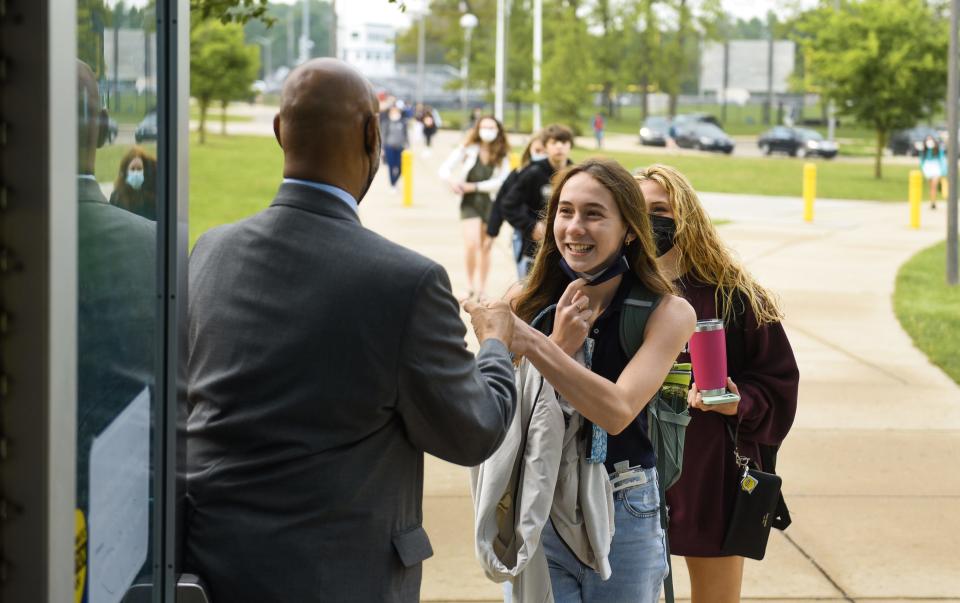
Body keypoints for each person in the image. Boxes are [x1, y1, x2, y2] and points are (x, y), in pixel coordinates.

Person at [184, 58, 519, 603]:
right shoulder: (406, 282)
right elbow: (474, 430)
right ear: (372, 133)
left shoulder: (211, 252)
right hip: (340, 577)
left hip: (214, 567)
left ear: (277, 132)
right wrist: (496, 344)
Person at [483, 158, 696, 602]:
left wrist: (538, 346)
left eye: (594, 214)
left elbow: (617, 411)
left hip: (626, 506)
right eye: (565, 211)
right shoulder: (521, 303)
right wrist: (554, 342)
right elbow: (492, 411)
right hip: (536, 499)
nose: (575, 228)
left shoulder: (668, 312)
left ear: (631, 230)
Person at [633, 164, 799, 603]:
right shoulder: (617, 292)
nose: (651, 221)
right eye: (638, 209)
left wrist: (737, 403)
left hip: (711, 469)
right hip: (630, 467)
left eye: (661, 209)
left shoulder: (733, 294)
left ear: (686, 218)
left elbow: (778, 381)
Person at [439, 115, 512, 300]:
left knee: (486, 247)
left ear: (498, 131)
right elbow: (444, 169)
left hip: (491, 203)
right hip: (469, 202)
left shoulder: (502, 154)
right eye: (484, 126)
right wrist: (452, 182)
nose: (487, 130)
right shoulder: (467, 149)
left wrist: (476, 186)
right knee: (472, 244)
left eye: (492, 127)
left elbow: (502, 181)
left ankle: (482, 288)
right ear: (478, 128)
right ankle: (469, 286)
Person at [501, 123, 575, 277]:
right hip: (535, 249)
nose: (559, 147)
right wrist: (531, 226)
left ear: (570, 146)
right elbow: (508, 205)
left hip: (567, 247)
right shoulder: (533, 173)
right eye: (554, 143)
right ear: (546, 147)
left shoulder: (576, 174)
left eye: (564, 142)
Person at [487, 132, 547, 279]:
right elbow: (502, 203)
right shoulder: (520, 173)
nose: (542, 155)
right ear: (530, 150)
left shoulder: (565, 173)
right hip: (525, 236)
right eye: (538, 151)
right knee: (526, 280)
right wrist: (492, 232)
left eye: (545, 152)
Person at [110, 146, 157, 220]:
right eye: (132, 169)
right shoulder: (117, 197)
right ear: (125, 172)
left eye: (139, 169)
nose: (136, 173)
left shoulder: (152, 196)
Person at [382, 104, 408, 191]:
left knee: (401, 167)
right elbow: (384, 136)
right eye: (393, 111)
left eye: (396, 111)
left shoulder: (403, 122)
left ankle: (396, 181)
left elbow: (406, 135)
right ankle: (392, 184)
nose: (395, 113)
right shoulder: (386, 122)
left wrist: (407, 145)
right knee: (391, 166)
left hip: (400, 147)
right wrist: (382, 148)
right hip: (389, 147)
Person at [919, 135, 947, 209]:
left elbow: (942, 160)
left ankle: (933, 202)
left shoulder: (938, 149)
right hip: (928, 168)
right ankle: (932, 201)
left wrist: (943, 171)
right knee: (931, 187)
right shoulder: (924, 150)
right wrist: (922, 170)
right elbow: (922, 161)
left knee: (934, 186)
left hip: (936, 167)